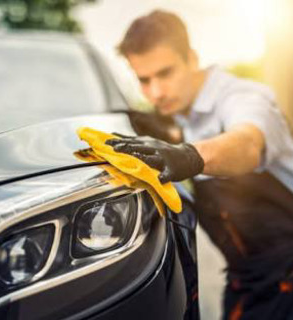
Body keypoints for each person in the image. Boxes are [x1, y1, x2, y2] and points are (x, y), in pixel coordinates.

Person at [106, 10, 293, 320]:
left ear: (191, 58)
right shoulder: (181, 118)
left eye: (165, 73)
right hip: (247, 281)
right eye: (144, 80)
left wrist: (190, 156)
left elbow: (247, 142)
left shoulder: (243, 97)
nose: (156, 92)